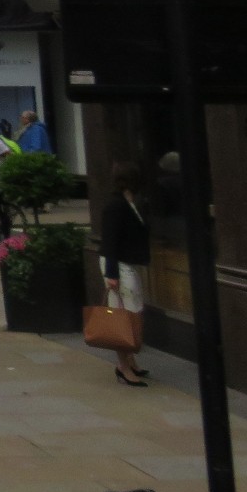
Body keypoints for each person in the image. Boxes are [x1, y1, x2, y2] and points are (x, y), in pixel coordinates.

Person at [99, 161, 151, 386]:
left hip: (126, 263)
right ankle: (123, 366)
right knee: (124, 315)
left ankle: (130, 361)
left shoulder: (129, 203)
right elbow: (110, 241)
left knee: (132, 311)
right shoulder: (115, 206)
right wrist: (111, 274)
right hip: (117, 265)